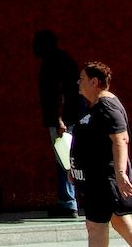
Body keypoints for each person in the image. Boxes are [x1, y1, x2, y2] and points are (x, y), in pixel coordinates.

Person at [70, 61, 132, 247]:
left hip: (105, 179)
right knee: (121, 223)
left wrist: (121, 174)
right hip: (96, 179)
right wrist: (74, 168)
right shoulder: (96, 105)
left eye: (82, 79)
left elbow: (121, 139)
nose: (78, 83)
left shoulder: (107, 106)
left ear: (94, 82)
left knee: (95, 226)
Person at [34, 30, 83, 217]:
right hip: (70, 116)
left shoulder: (52, 63)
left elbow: (58, 93)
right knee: (68, 158)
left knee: (64, 158)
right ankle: (69, 200)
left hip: (62, 119)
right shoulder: (65, 60)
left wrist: (59, 118)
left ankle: (68, 202)